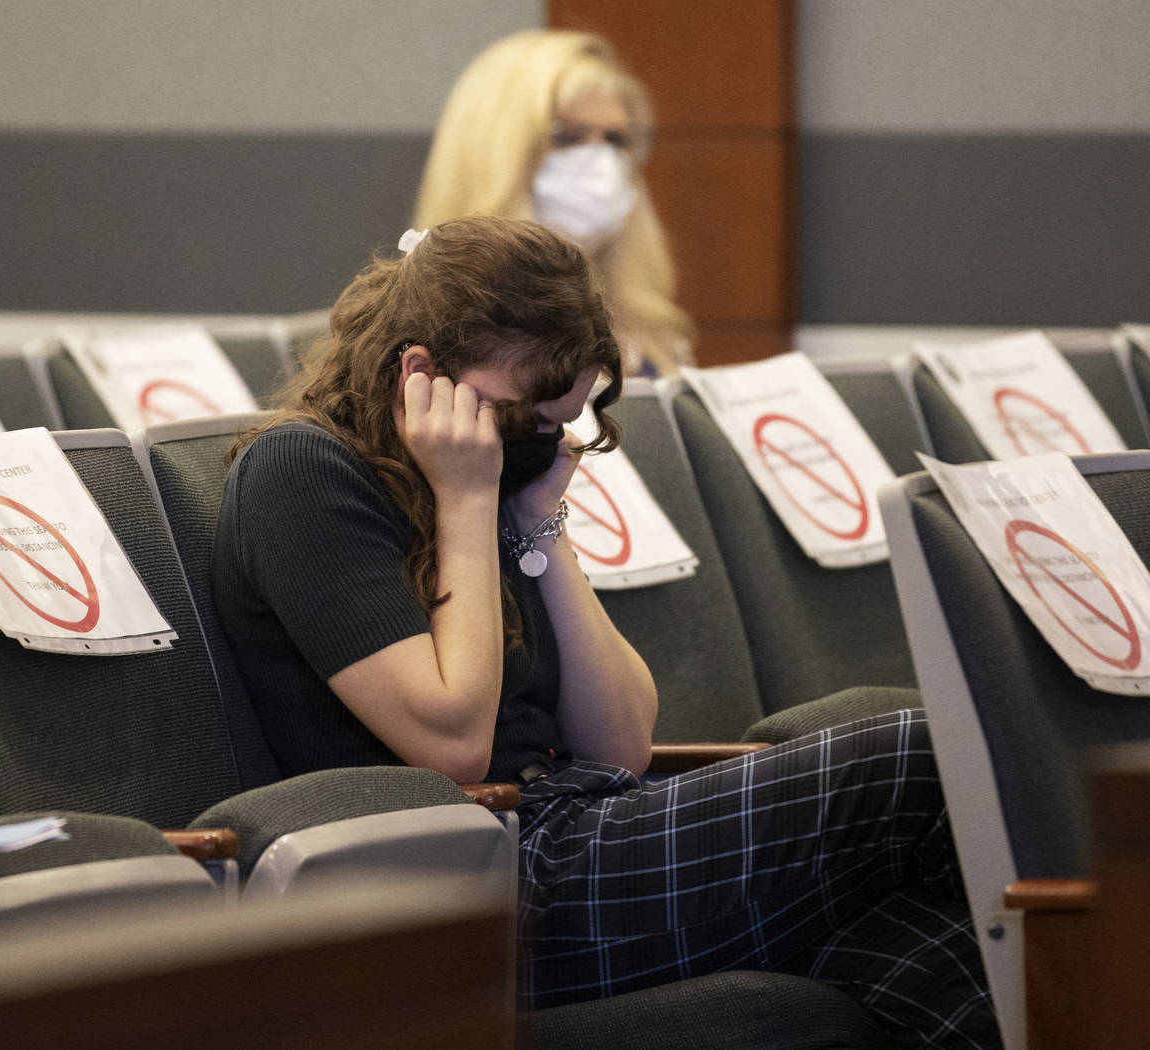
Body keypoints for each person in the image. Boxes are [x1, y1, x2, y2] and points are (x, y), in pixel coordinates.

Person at [212, 216, 999, 1049]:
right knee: (927, 756)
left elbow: (620, 743)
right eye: (521, 419)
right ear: (420, 375)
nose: (539, 443)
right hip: (470, 887)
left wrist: (537, 521)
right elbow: (451, 742)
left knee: (935, 954)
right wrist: (470, 503)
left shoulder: (492, 487)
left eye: (561, 424)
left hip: (579, 828)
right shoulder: (302, 474)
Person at [414, 29, 693, 378]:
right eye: (566, 137)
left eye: (615, 139)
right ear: (495, 156)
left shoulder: (651, 330)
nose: (599, 160)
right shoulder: (434, 339)